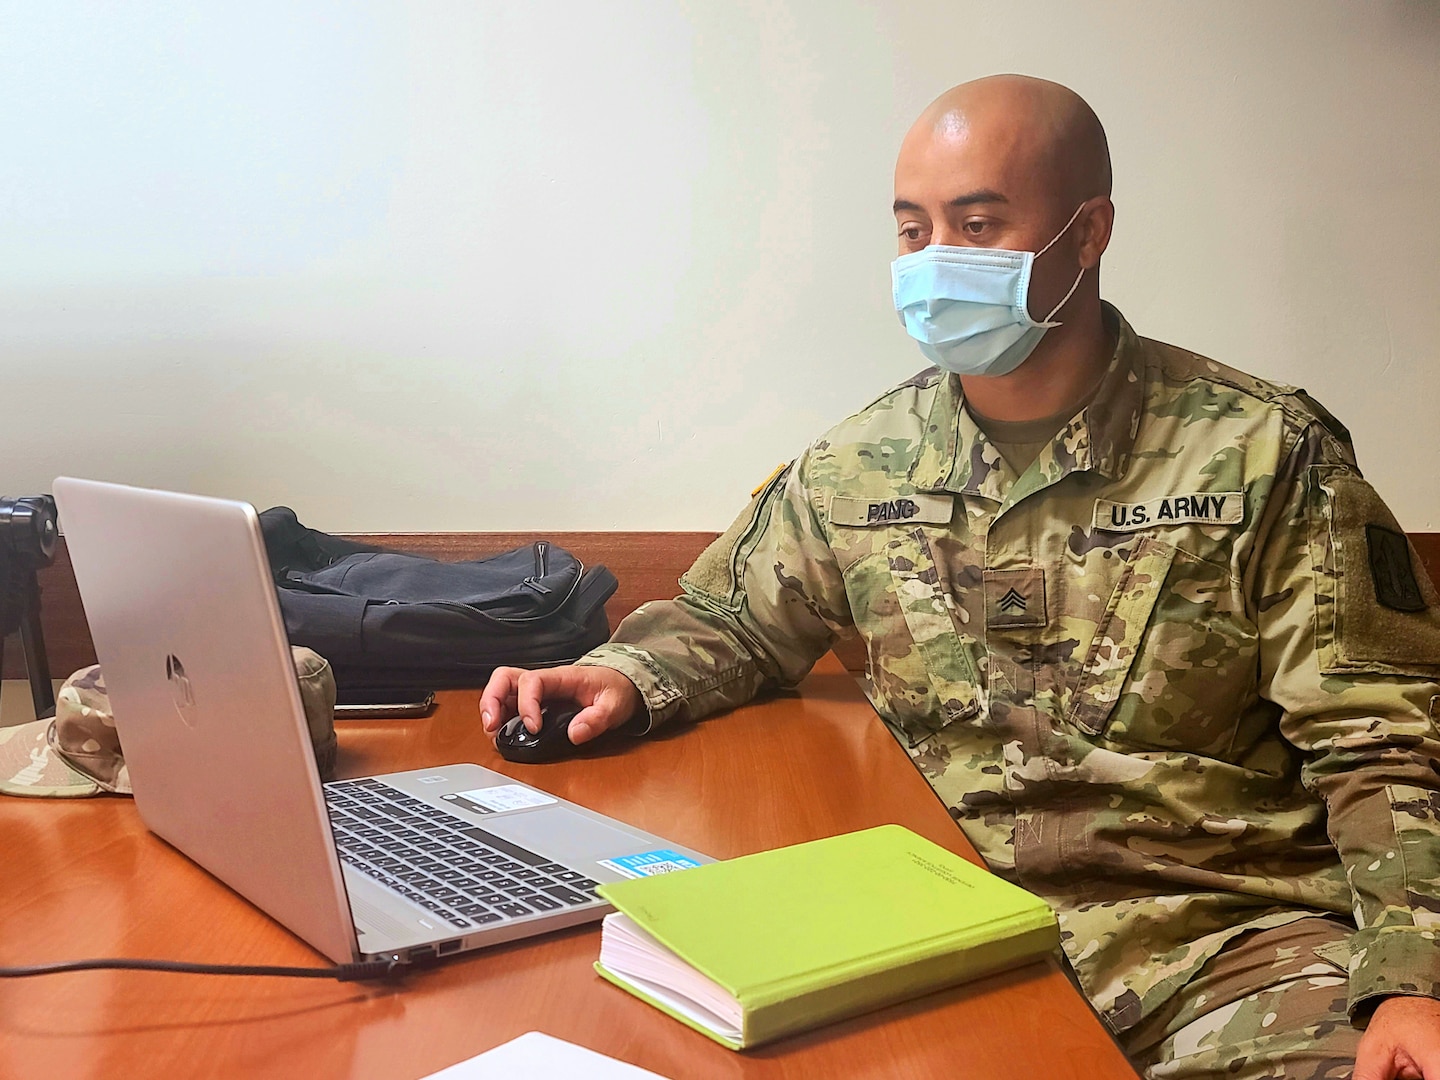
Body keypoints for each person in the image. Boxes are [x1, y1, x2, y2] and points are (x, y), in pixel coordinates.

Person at [479, 75, 1440, 1080]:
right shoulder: (861, 463)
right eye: (913, 230)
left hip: (1223, 950)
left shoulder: (1262, 453)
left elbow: (1383, 737)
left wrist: (1413, 978)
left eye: (978, 223)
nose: (936, 260)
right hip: (937, 937)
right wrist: (625, 675)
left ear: (1087, 232)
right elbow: (733, 619)